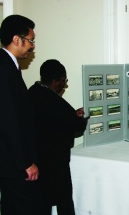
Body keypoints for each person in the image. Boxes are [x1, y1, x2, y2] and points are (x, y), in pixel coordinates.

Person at [0, 15, 43, 214]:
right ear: (17, 39)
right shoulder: (3, 70)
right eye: (30, 41)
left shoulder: (4, 65)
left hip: (8, 159)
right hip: (12, 161)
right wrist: (25, 163)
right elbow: (8, 122)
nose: (32, 46)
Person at [28, 59, 89, 215]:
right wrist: (81, 118)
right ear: (55, 81)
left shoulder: (31, 93)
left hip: (37, 159)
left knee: (42, 202)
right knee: (64, 201)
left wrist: (72, 115)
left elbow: (55, 120)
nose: (64, 84)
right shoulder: (55, 102)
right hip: (55, 162)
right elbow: (75, 125)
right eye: (64, 80)